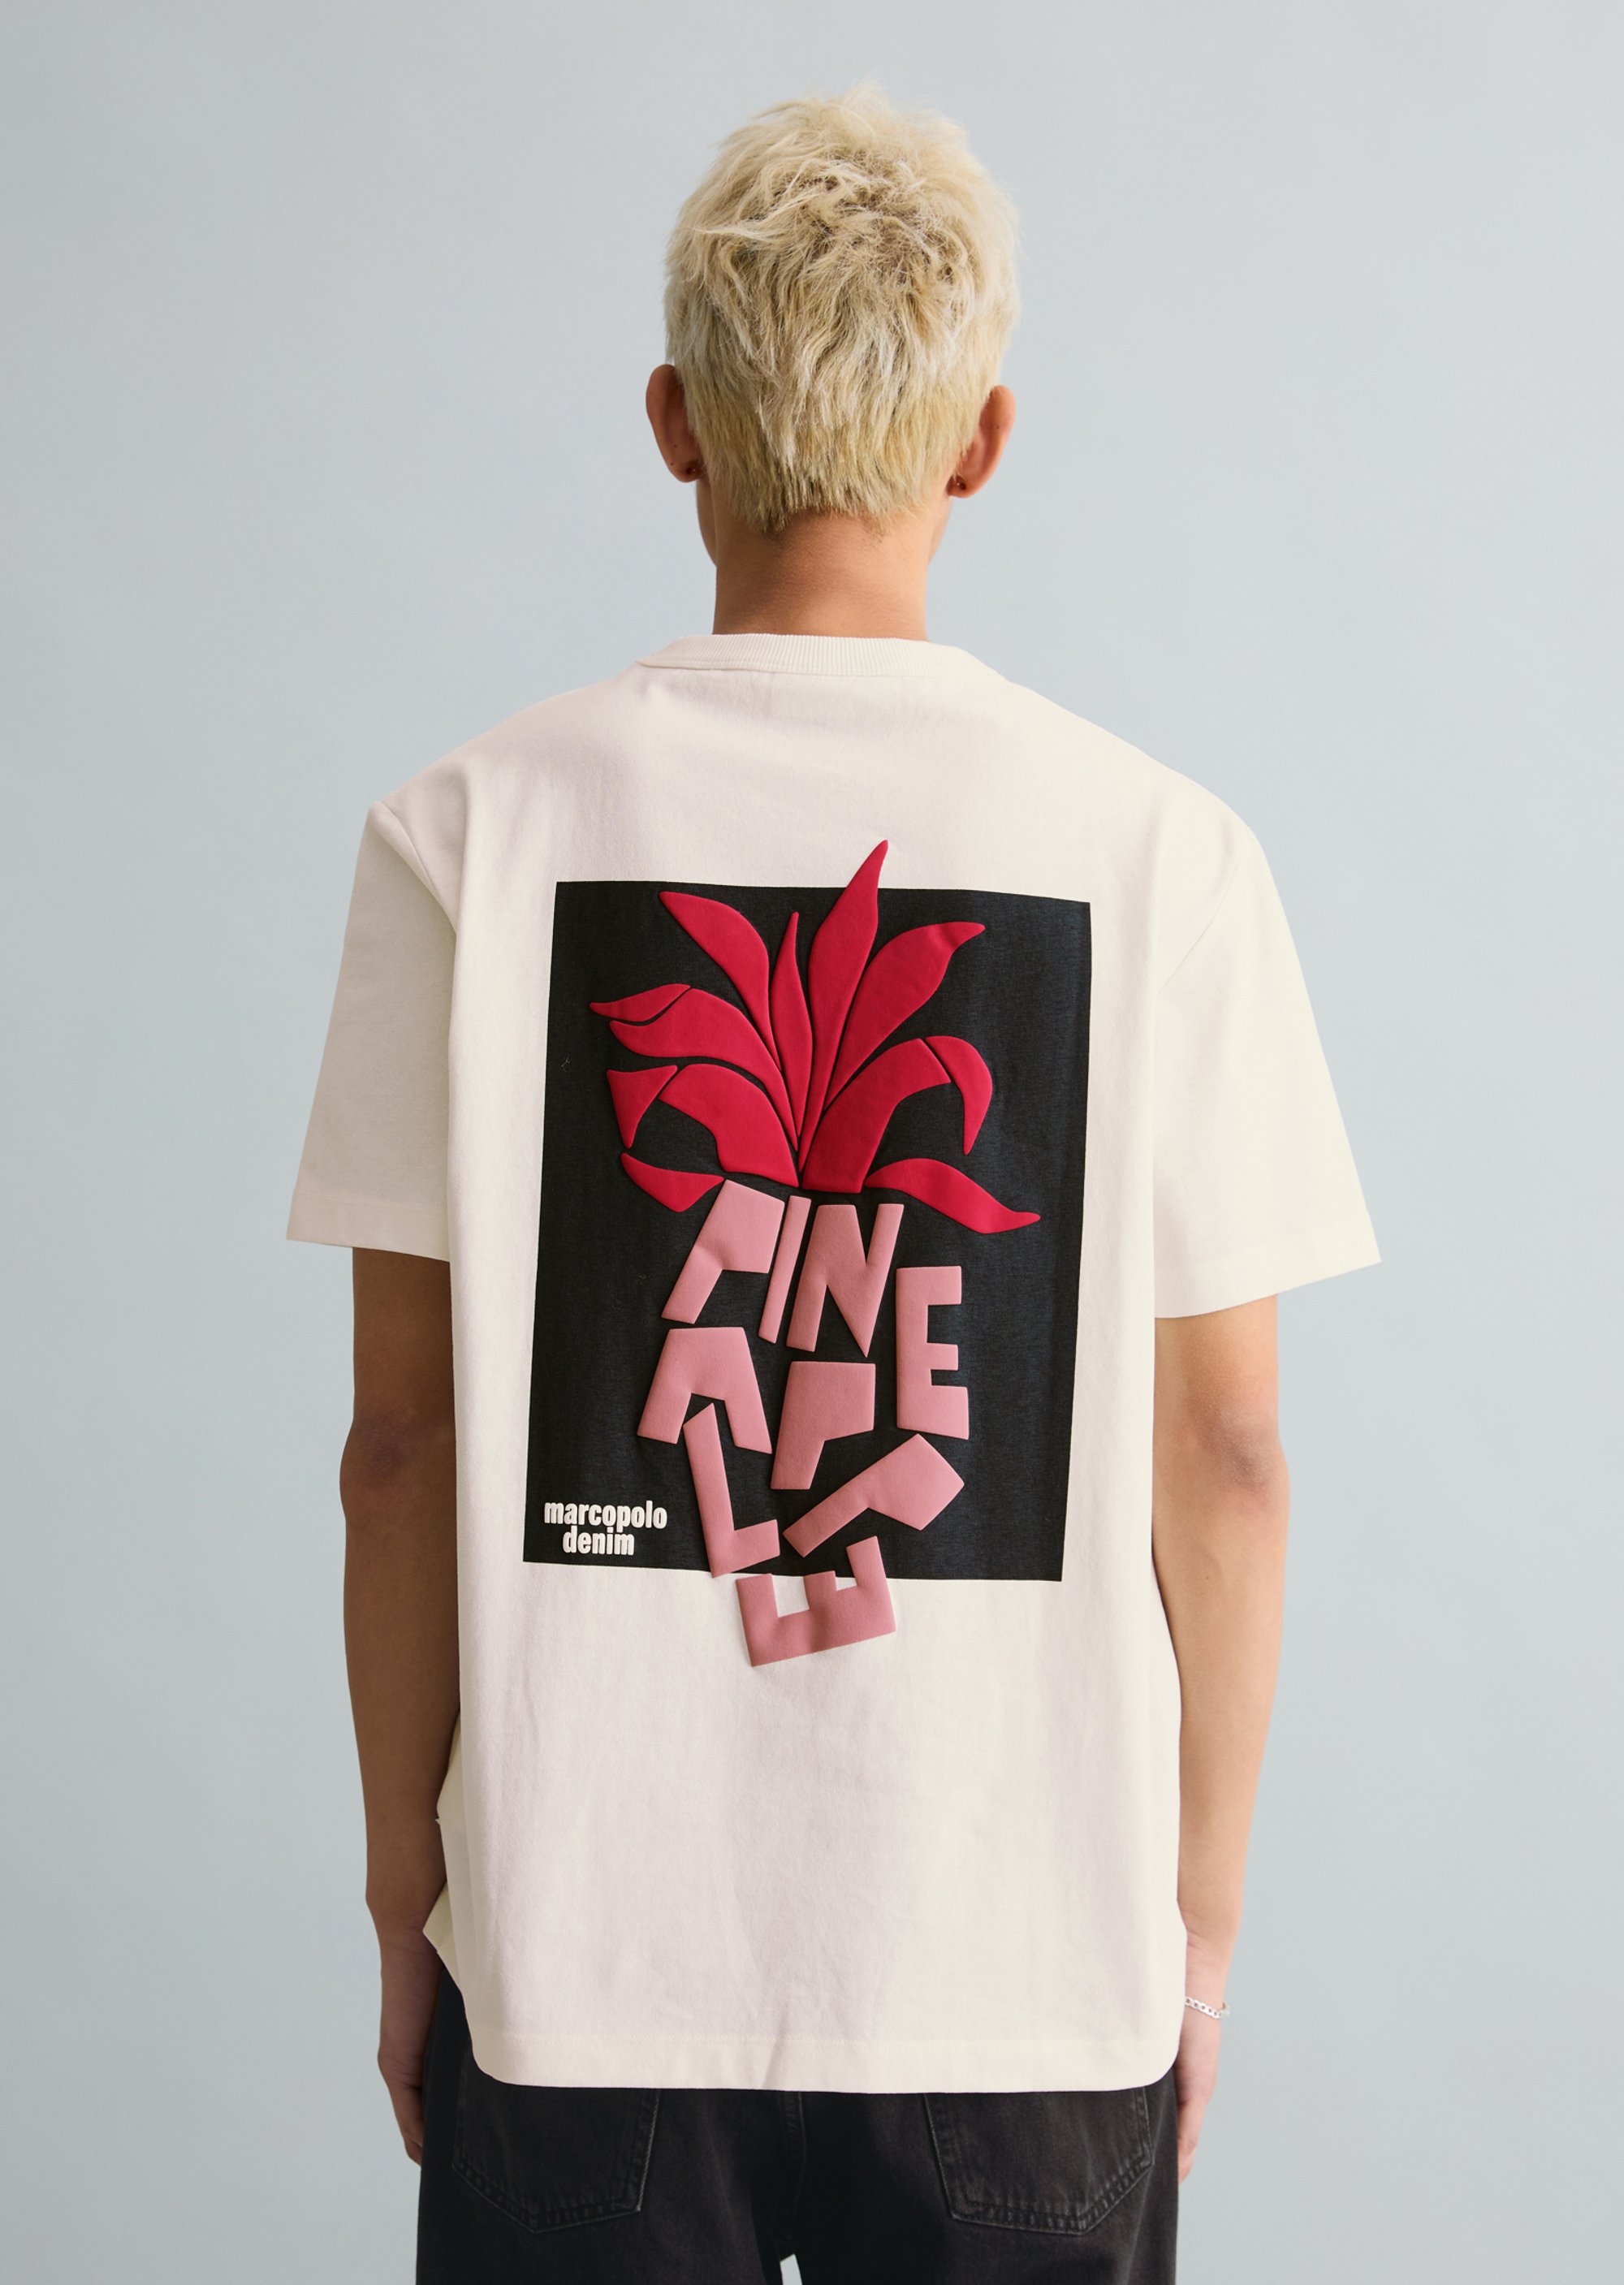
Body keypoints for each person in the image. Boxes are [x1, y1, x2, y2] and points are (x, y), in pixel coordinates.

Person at [289, 85, 1377, 2283]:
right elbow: (1232, 1458)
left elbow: (398, 1449)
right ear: (982, 442)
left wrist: (411, 1904)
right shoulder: (1165, 856)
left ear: (674, 422)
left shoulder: (467, 836)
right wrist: (1196, 1934)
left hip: (581, 1966)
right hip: (1020, 1963)